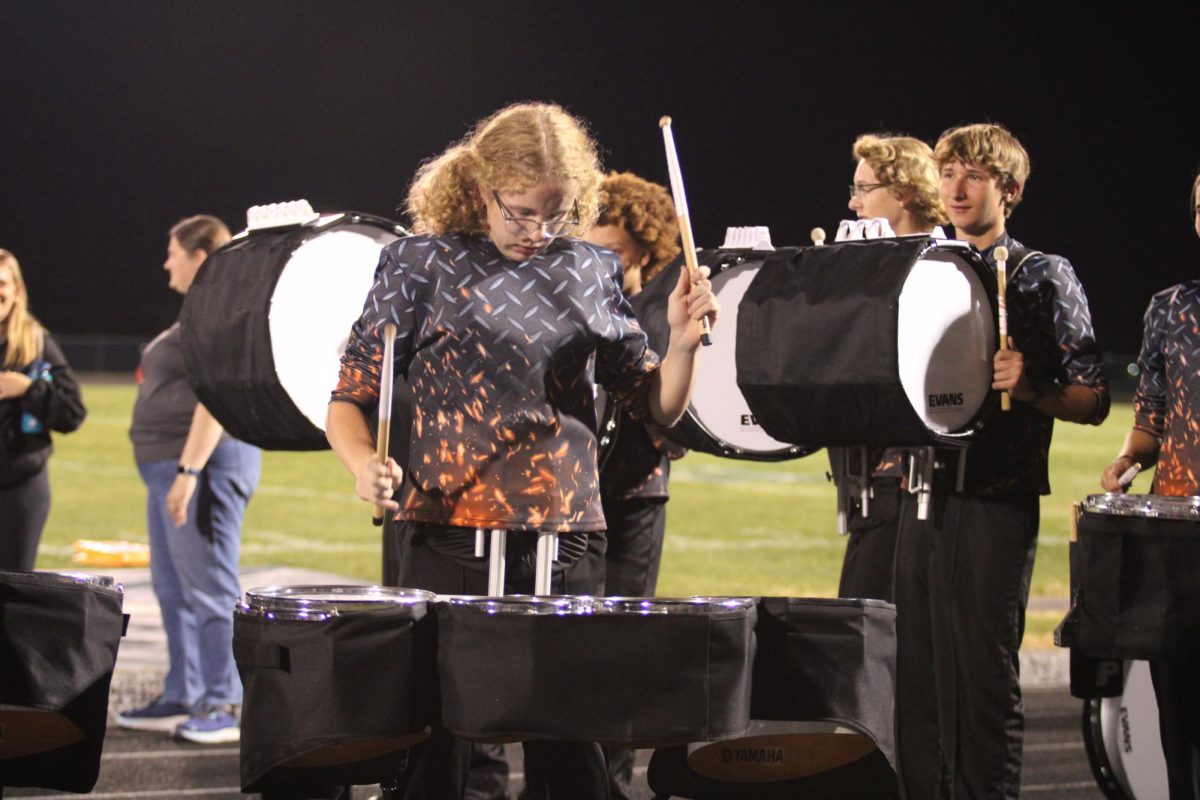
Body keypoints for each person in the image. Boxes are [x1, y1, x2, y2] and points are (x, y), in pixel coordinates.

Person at [326, 102, 719, 800]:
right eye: (522, 213)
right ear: (482, 190)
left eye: (558, 214)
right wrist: (364, 467)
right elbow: (351, 397)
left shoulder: (592, 268)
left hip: (565, 539)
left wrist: (683, 342)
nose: (539, 232)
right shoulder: (418, 263)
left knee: (571, 755)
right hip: (443, 536)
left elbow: (656, 406)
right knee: (435, 751)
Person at [892, 123, 1109, 799]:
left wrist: (1035, 389)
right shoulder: (920, 268)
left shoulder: (1045, 275)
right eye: (947, 173)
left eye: (974, 176)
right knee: (917, 677)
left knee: (981, 678)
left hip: (996, 496)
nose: (955, 188)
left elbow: (1096, 398)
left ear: (1008, 190)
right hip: (921, 492)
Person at [117, 215, 262, 745]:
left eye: (172, 252)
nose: (166, 262)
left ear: (199, 256)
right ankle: (184, 690)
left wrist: (188, 470)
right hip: (173, 469)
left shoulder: (217, 311)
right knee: (173, 589)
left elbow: (216, 395)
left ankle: (222, 700)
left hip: (202, 467)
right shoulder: (200, 310)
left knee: (208, 588)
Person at [1099, 170, 1200, 800]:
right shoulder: (1171, 307)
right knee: (1181, 705)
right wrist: (1127, 462)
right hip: (1181, 536)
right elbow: (1152, 420)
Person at [583, 171, 684, 800]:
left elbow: (679, 410)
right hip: (577, 501)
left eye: (612, 253)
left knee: (621, 650)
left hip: (638, 494)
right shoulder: (581, 304)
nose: (599, 264)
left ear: (644, 251)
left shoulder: (662, 308)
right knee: (575, 646)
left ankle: (613, 786)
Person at [836, 134, 949, 603]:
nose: (852, 201)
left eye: (864, 189)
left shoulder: (946, 270)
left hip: (923, 487)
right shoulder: (871, 262)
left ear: (902, 192)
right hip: (872, 480)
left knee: (891, 630)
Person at [0, 248, 86, 571]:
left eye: (2, 283)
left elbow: (72, 413)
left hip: (18, 490)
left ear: (16, 290)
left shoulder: (35, 343)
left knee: (11, 592)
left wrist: (27, 389)